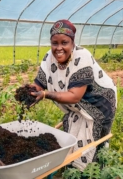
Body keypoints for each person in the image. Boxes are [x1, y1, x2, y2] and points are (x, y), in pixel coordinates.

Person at [29, 19, 117, 171]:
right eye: (54, 43)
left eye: (64, 42)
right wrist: (29, 92)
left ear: (73, 42)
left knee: (95, 144)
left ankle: (94, 172)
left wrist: (45, 94)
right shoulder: (48, 57)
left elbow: (74, 96)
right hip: (77, 106)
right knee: (72, 131)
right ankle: (73, 169)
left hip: (100, 103)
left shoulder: (82, 57)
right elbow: (40, 83)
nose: (59, 48)